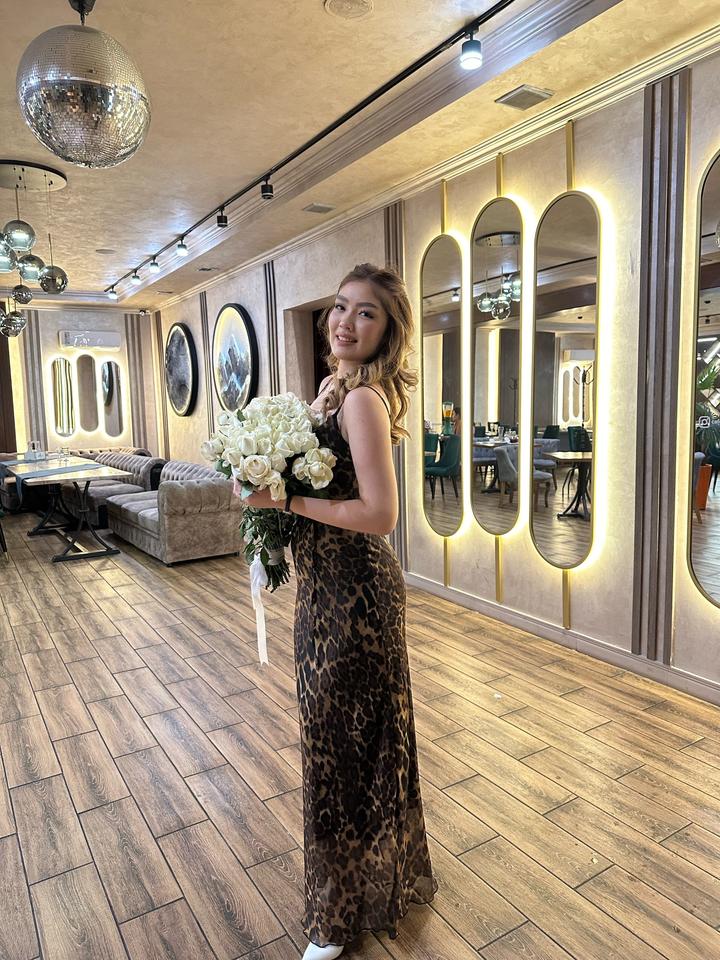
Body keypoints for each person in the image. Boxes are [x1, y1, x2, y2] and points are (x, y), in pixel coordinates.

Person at [244, 263, 437, 959]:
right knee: (347, 740)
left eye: (366, 313)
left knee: (340, 746)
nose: (346, 323)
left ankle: (336, 915)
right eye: (341, 307)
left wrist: (284, 500)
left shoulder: (363, 402)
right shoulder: (336, 391)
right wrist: (263, 482)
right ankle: (369, 882)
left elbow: (380, 514)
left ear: (388, 331)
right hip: (325, 587)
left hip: (356, 595)